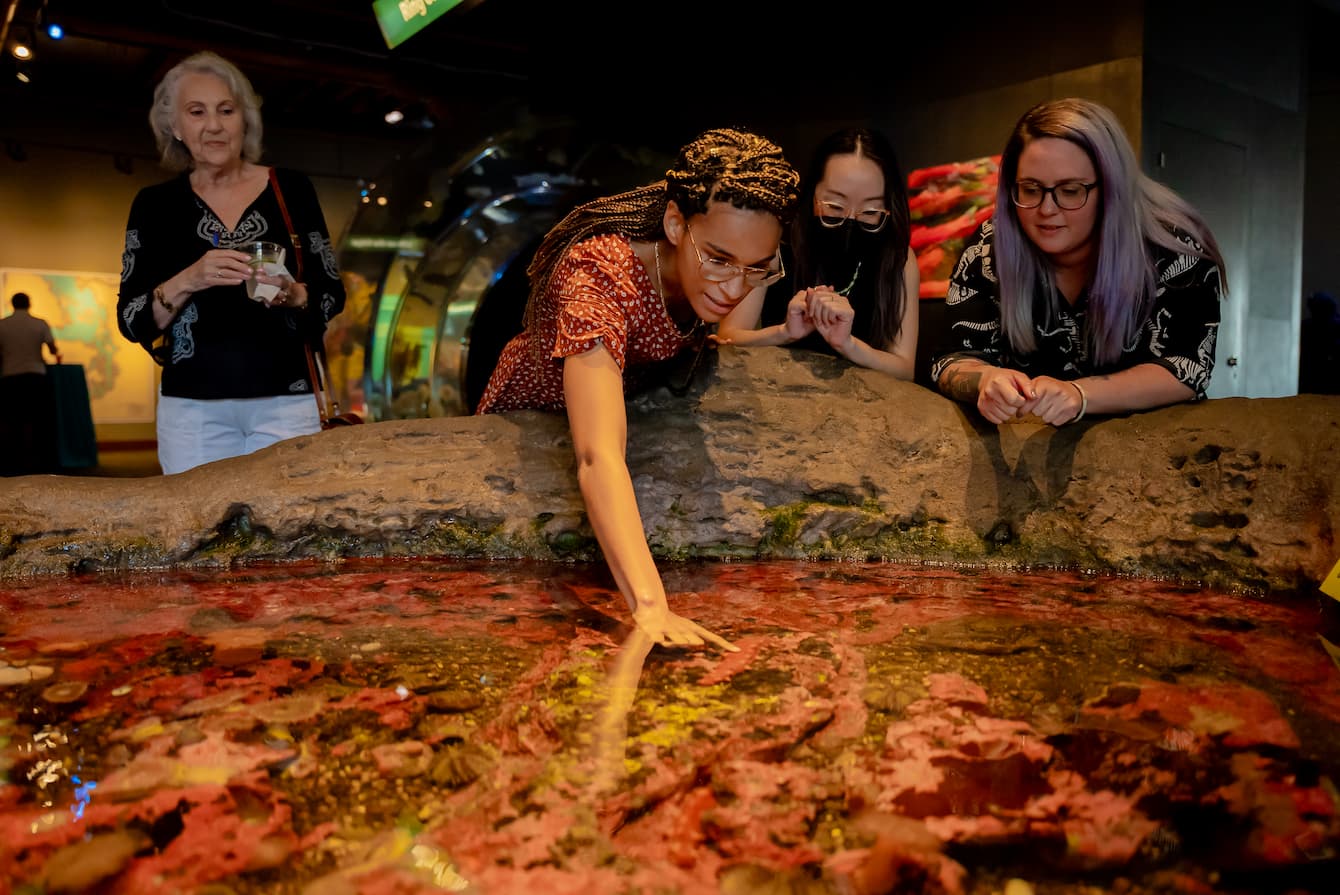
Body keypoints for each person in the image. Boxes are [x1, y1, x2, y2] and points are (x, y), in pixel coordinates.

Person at [476, 127, 800, 651]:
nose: (735, 288)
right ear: (675, 222)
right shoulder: (598, 276)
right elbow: (597, 455)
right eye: (717, 259)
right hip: (533, 412)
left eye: (757, 269)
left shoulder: (724, 274)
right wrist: (650, 607)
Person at [116, 51, 346, 474]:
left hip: (286, 403)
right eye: (197, 111)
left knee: (290, 531)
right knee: (198, 534)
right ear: (174, 126)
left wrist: (295, 294)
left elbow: (332, 292)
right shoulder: (154, 206)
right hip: (192, 412)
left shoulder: (291, 189)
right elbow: (132, 321)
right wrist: (189, 278)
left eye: (227, 110)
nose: (215, 125)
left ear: (246, 119)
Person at [931, 98, 1226, 425]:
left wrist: (1080, 394)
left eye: (1070, 191)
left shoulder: (1175, 248)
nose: (1046, 209)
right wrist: (984, 381)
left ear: (1111, 188)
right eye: (1030, 190)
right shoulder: (990, 247)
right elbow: (951, 359)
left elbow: (1188, 368)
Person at [716, 126, 919, 379]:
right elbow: (727, 336)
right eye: (834, 205)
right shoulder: (778, 242)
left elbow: (904, 368)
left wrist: (848, 345)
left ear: (889, 206)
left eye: (870, 211)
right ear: (812, 192)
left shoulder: (898, 257)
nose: (850, 220)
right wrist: (784, 332)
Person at [0, 292, 61, 476]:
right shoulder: (39, 323)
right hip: (36, 377)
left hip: (10, 377)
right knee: (38, 421)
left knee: (12, 422)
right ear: (29, 304)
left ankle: (12, 463)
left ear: (12, 304)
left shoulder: (2, 325)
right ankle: (38, 463)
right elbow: (52, 349)